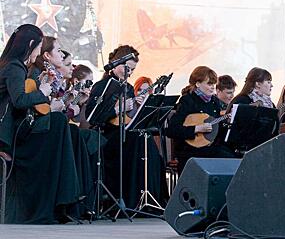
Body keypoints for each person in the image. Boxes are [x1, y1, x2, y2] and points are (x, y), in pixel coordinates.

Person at [0, 24, 81, 223]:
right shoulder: (15, 67)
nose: (39, 50)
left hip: (11, 131)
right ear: (30, 44)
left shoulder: (10, 64)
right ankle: (52, 202)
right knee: (55, 131)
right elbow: (19, 100)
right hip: (7, 137)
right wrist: (42, 93)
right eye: (38, 45)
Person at [84, 45, 165, 210]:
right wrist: (116, 109)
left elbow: (128, 118)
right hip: (107, 135)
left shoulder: (128, 88)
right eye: (126, 68)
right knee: (136, 140)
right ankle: (130, 199)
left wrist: (138, 107)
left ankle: (147, 199)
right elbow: (92, 116)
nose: (128, 73)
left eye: (132, 70)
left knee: (146, 139)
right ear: (115, 63)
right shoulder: (102, 86)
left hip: (124, 132)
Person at [166, 66, 237, 173]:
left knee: (235, 158)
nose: (213, 87)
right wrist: (197, 128)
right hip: (191, 152)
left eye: (213, 84)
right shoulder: (187, 101)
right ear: (198, 84)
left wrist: (226, 121)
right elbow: (172, 130)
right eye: (209, 84)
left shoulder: (214, 101)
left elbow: (216, 128)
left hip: (211, 148)